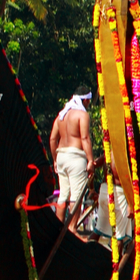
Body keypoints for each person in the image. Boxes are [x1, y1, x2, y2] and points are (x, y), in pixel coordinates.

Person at [47, 87, 96, 228]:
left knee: (63, 195)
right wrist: (90, 160)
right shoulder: (82, 115)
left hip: (61, 156)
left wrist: (55, 159)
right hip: (75, 157)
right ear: (85, 100)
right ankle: (72, 229)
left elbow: (52, 139)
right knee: (76, 195)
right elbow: (85, 138)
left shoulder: (62, 115)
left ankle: (57, 228)